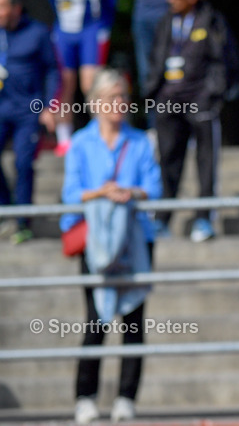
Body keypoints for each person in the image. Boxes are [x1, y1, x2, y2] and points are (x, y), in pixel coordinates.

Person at [60, 69, 161, 424]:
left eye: (123, 97)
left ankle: (126, 397)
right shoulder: (81, 142)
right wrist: (101, 193)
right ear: (96, 103)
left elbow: (154, 188)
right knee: (96, 319)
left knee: (133, 322)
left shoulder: (140, 141)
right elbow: (70, 194)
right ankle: (85, 396)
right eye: (112, 98)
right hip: (97, 242)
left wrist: (130, 192)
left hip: (135, 239)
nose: (120, 103)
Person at [144, 0, 239, 241]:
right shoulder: (165, 22)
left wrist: (213, 94)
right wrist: (154, 92)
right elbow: (155, 59)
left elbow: (225, 60)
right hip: (168, 101)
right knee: (167, 161)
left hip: (201, 101)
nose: (170, 0)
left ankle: (204, 219)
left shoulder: (211, 21)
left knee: (206, 163)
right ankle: (161, 219)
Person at [42, 0, 117, 156]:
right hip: (64, 28)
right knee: (63, 83)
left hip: (91, 28)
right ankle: (65, 139)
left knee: (90, 83)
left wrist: (103, 27)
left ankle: (101, 133)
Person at [0, 0, 58, 244]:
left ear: (16, 7)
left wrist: (48, 106)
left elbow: (52, 70)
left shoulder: (37, 32)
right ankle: (6, 210)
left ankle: (23, 221)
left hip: (28, 110)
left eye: (2, 6)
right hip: (2, 107)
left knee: (23, 163)